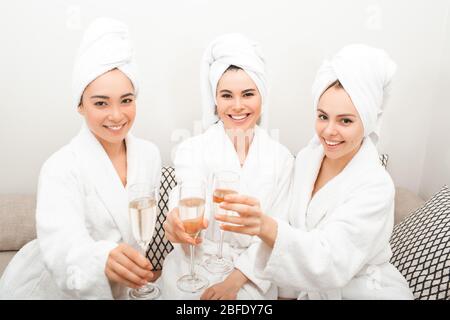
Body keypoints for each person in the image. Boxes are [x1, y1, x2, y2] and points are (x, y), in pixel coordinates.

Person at [216, 44, 414, 299]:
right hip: (306, 287)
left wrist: (264, 225)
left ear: (367, 121)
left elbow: (330, 260)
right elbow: (291, 232)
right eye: (323, 116)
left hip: (361, 290)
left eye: (345, 120)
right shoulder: (308, 158)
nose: (329, 131)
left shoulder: (376, 186)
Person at [0, 18, 161, 299]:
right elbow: (64, 246)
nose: (116, 115)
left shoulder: (149, 155)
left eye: (126, 100)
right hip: (66, 286)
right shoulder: (60, 167)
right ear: (80, 105)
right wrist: (102, 259)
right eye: (101, 102)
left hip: (127, 287)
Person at [161, 33, 294, 300]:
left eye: (248, 94)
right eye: (226, 95)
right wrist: (175, 220)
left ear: (262, 97)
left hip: (252, 273)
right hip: (194, 265)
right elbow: (187, 198)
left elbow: (276, 231)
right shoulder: (192, 149)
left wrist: (233, 282)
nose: (237, 106)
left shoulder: (281, 158)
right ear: (215, 101)